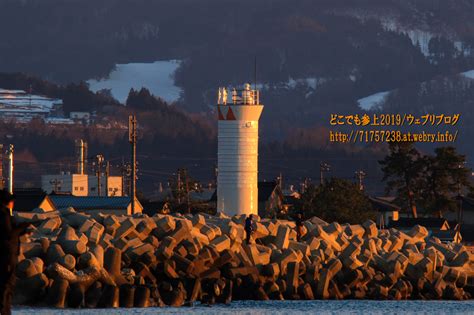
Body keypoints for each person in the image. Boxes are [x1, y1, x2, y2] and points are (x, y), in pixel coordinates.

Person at [0, 190, 30, 315]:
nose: (13, 203)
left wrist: (21, 230)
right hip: (7, 255)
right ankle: (4, 310)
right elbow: (9, 233)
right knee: (7, 285)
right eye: (11, 201)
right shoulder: (3, 214)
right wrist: (23, 226)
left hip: (5, 254)